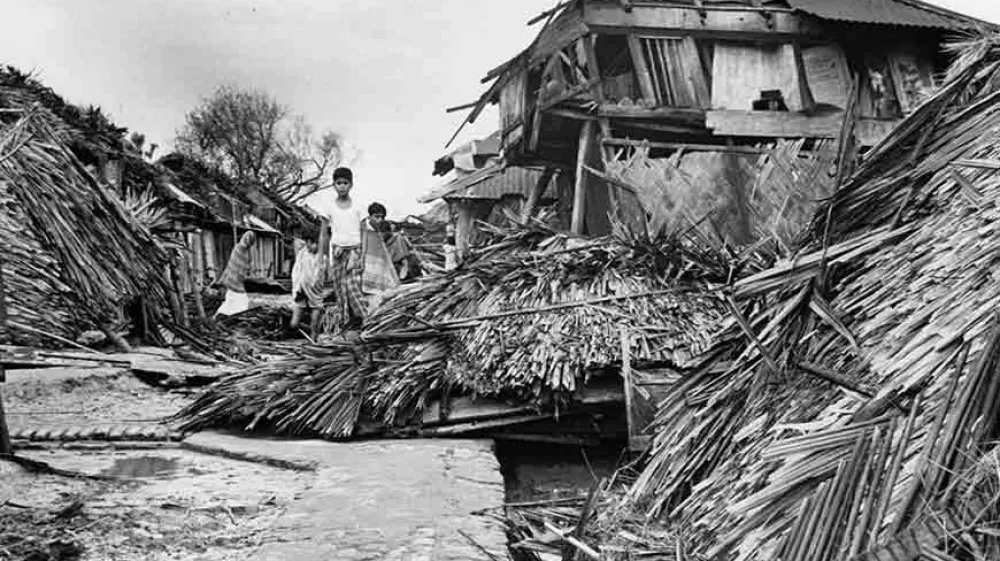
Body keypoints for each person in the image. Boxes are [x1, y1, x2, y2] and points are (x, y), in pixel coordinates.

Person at [318, 167, 367, 333]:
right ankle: (347, 324)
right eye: (338, 183)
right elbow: (324, 234)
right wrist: (322, 258)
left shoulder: (358, 206)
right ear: (334, 185)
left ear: (351, 185)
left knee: (353, 288)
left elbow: (364, 232)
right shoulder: (329, 207)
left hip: (354, 251)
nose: (342, 186)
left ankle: (364, 319)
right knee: (340, 290)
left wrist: (363, 256)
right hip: (337, 252)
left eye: (345, 183)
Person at [289, 230, 325, 340]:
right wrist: (299, 289)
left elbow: (318, 277)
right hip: (301, 292)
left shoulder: (322, 257)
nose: (311, 246)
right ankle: (310, 330)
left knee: (314, 324)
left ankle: (313, 344)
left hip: (315, 294)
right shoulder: (302, 253)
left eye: (315, 244)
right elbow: (297, 242)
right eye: (309, 243)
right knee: (294, 324)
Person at [212, 231, 256, 317]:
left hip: (239, 280)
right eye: (246, 238)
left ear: (251, 242)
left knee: (233, 300)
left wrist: (247, 271)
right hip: (233, 279)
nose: (246, 240)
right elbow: (233, 264)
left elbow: (247, 266)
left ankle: (220, 315)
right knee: (239, 299)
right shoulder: (238, 248)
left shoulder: (248, 252)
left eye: (249, 239)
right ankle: (221, 315)